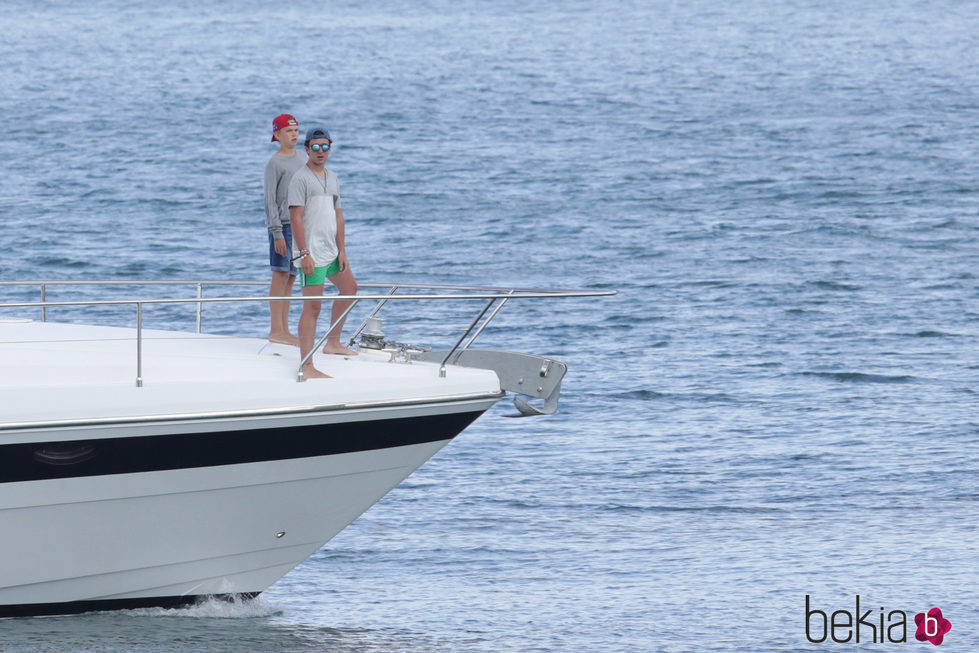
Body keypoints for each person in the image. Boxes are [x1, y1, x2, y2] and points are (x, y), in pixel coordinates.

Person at [288, 126, 358, 379]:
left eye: (325, 146)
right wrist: (304, 253)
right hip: (311, 254)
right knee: (312, 308)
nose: (320, 151)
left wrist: (342, 249)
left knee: (350, 288)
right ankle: (306, 365)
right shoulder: (300, 178)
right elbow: (295, 218)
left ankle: (333, 343)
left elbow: (338, 215)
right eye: (315, 147)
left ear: (330, 148)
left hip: (331, 251)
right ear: (307, 149)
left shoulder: (333, 177)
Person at [264, 113, 307, 346]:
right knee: (279, 275)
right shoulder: (275, 163)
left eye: (296, 130)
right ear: (277, 135)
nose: (293, 135)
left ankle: (285, 329)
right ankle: (275, 329)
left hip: (300, 225)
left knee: (291, 278)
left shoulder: (303, 157)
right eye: (288, 131)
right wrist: (276, 232)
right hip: (282, 225)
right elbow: (270, 200)